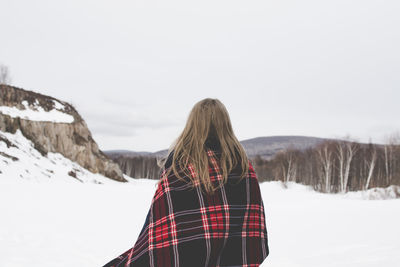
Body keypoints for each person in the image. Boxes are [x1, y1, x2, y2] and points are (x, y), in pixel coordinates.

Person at [103, 98, 269, 267]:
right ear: (225, 125)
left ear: (193, 124)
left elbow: (156, 221)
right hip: (231, 257)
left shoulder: (179, 164)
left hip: (184, 256)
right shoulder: (242, 165)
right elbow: (252, 221)